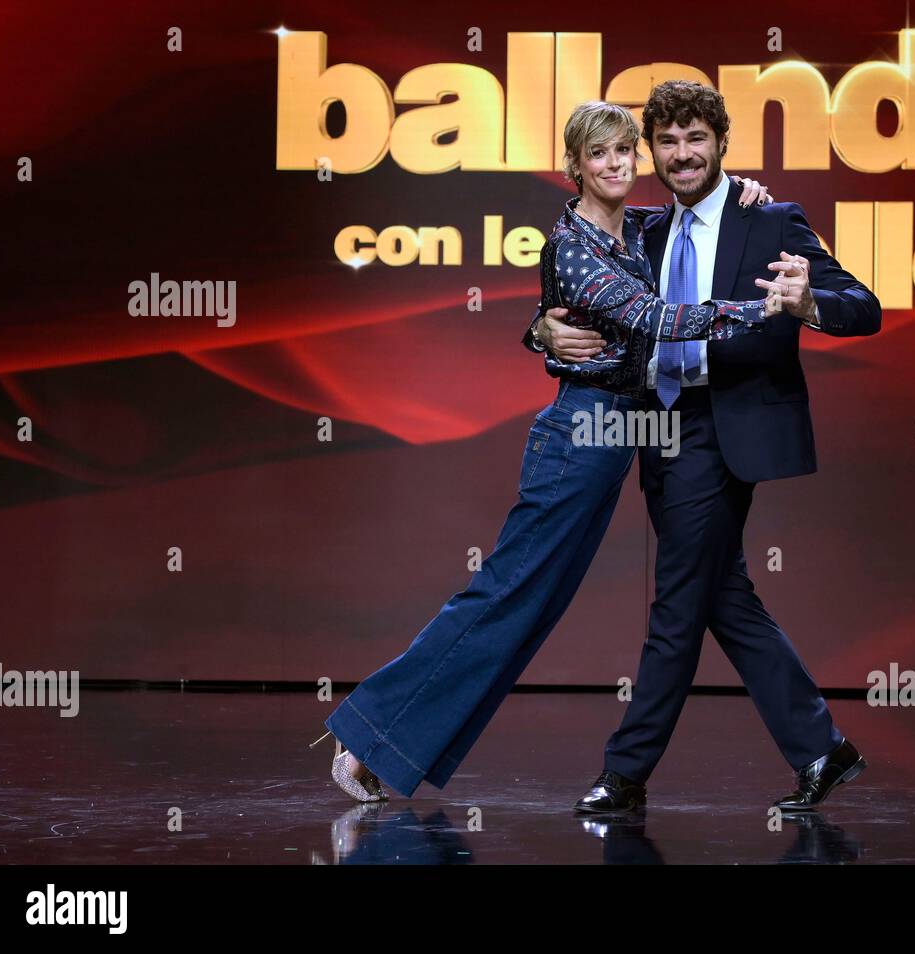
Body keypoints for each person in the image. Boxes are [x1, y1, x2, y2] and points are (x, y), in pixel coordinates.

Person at [309, 100, 780, 802]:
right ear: (575, 168)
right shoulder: (574, 243)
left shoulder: (636, 230)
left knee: (533, 606)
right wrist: (761, 307)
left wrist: (742, 189)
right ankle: (367, 732)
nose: (617, 165)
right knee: (508, 592)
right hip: (580, 435)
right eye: (600, 155)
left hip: (618, 434)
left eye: (626, 152)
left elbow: (699, 216)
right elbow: (650, 317)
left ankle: (384, 746)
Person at [531, 80, 882, 813]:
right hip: (656, 429)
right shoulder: (646, 230)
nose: (683, 153)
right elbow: (577, 294)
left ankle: (625, 773)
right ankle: (822, 748)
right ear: (650, 152)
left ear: (721, 142)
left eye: (697, 138)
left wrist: (809, 302)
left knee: (678, 601)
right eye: (667, 141)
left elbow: (864, 307)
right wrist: (539, 332)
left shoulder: (773, 219)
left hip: (724, 431)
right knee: (724, 595)